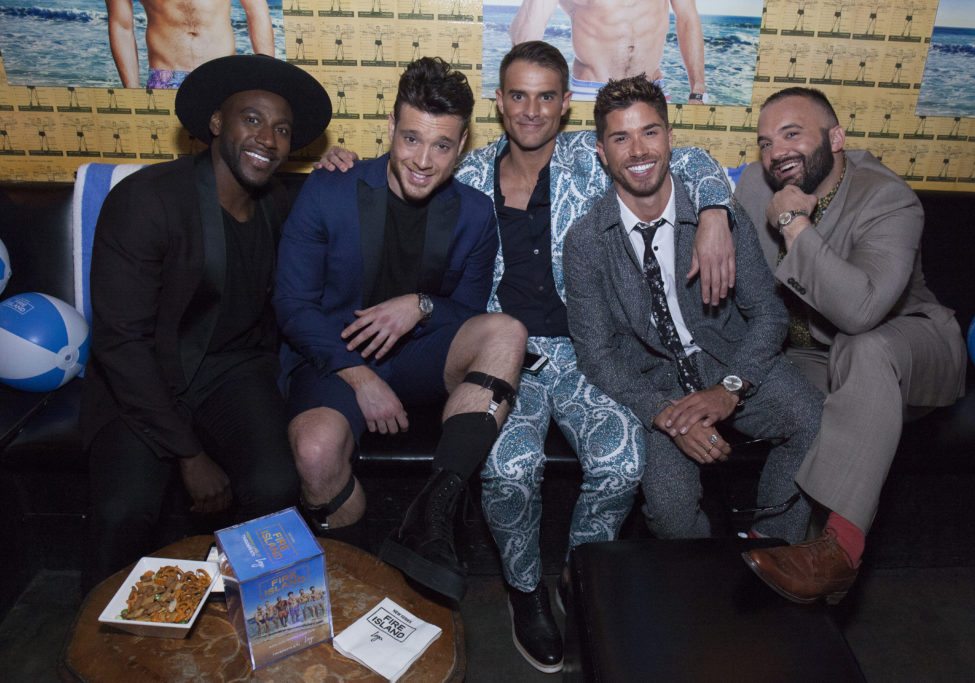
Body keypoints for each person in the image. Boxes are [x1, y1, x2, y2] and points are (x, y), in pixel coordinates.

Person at [317, 41, 734, 673]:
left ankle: (580, 576)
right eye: (518, 95)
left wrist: (714, 214)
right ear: (500, 103)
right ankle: (525, 590)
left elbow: (692, 160)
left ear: (566, 105)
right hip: (501, 355)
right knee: (507, 472)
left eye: (546, 96)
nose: (531, 110)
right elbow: (400, 173)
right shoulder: (467, 168)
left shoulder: (594, 161)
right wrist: (338, 165)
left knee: (623, 459)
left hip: (589, 353)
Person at [274, 56, 527, 604]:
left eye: (441, 146)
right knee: (316, 453)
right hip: (335, 356)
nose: (422, 159)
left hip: (422, 356)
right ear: (389, 129)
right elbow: (293, 305)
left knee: (507, 331)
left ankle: (429, 516)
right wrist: (360, 377)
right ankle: (358, 580)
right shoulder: (330, 190)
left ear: (460, 147)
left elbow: (467, 310)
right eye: (411, 138)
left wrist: (420, 306)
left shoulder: (475, 213)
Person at [81, 54, 332, 591]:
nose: (268, 138)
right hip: (144, 377)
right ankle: (99, 640)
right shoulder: (148, 200)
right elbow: (120, 342)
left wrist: (343, 168)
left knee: (274, 484)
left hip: (233, 373)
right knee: (126, 509)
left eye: (282, 129)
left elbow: (343, 216)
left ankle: (250, 621)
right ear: (217, 124)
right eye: (252, 119)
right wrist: (189, 454)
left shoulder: (279, 204)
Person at [564, 75, 824, 562]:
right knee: (669, 508)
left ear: (669, 137)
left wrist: (730, 386)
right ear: (602, 152)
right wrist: (665, 414)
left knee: (812, 419)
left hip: (727, 359)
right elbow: (596, 356)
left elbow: (767, 313)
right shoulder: (584, 242)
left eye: (650, 132)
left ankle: (771, 545)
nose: (638, 150)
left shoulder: (715, 213)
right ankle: (710, 576)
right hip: (656, 383)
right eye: (621, 138)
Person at [735, 87, 967, 605]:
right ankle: (771, 547)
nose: (777, 152)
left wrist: (795, 224)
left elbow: (860, 314)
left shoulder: (887, 197)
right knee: (782, 397)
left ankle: (839, 550)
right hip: (813, 354)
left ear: (836, 139)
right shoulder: (755, 184)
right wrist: (710, 218)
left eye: (793, 134)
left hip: (908, 346)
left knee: (865, 350)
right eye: (766, 141)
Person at [510, 0, 706, 102]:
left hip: (651, 90)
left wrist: (697, 91)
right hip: (591, 93)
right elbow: (525, 41)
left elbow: (688, 18)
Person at [106, 0, 275, 89]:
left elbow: (256, 10)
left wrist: (266, 77)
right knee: (167, 151)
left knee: (226, 150)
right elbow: (122, 26)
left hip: (222, 73)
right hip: (166, 78)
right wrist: (132, 89)